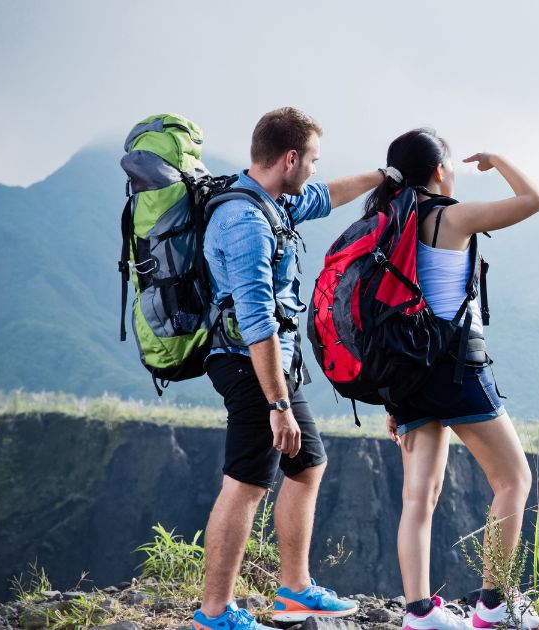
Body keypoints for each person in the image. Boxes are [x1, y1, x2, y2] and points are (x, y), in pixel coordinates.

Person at [192, 107, 389, 630]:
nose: (316, 172)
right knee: (247, 483)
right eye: (314, 161)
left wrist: (384, 178)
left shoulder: (272, 201)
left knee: (306, 463)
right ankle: (214, 613)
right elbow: (255, 319)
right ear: (291, 158)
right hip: (249, 364)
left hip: (272, 362)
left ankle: (295, 591)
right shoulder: (245, 221)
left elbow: (325, 198)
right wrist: (278, 404)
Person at [365, 129, 539, 630]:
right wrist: (498, 158)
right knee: (513, 479)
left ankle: (419, 612)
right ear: (439, 171)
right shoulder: (452, 215)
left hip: (405, 376)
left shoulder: (385, 223)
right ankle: (496, 605)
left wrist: (389, 397)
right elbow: (534, 199)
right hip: (457, 372)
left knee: (417, 497)